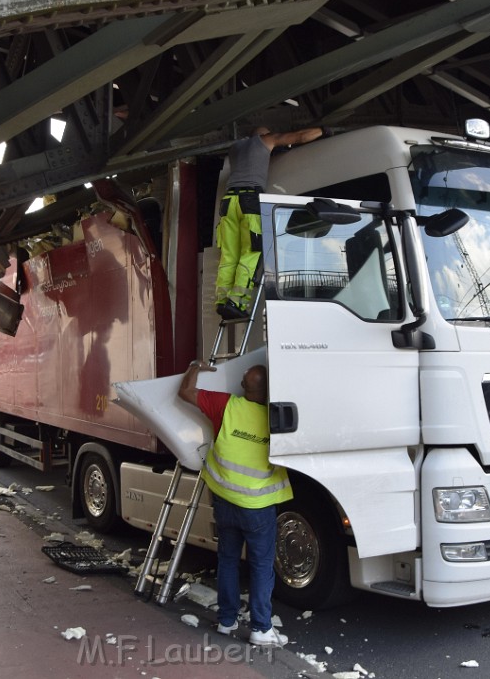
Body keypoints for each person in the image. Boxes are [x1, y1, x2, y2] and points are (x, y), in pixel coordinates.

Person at [178, 360, 292, 647]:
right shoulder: (279, 418)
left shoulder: (226, 405)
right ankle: (261, 628)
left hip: (225, 501)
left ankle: (227, 621)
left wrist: (194, 367)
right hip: (258, 507)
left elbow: (185, 392)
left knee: (227, 560)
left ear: (243, 387)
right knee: (261, 566)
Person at [215, 126, 324, 319]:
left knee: (229, 256)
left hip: (228, 203)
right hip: (249, 201)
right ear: (264, 135)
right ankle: (237, 301)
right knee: (250, 252)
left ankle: (222, 301)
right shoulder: (266, 140)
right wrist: (322, 130)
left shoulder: (235, 148)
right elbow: (300, 135)